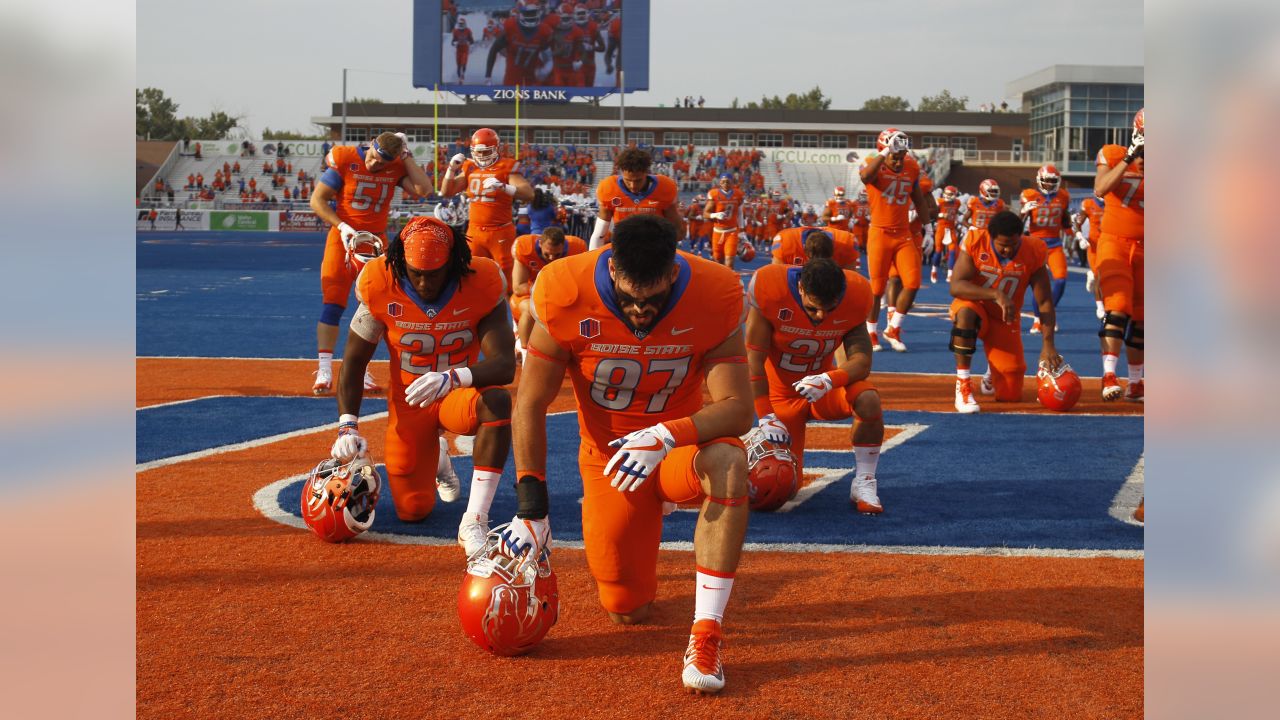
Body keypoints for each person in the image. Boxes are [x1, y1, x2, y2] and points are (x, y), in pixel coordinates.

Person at [511, 214, 752, 694]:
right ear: (612, 268)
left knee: (730, 461)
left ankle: (706, 633)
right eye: (628, 299)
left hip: (677, 449)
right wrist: (531, 506)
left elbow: (738, 409)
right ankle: (636, 529)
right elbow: (531, 402)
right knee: (626, 610)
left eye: (654, 300)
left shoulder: (715, 290)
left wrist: (665, 435)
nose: (641, 312)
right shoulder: (565, 287)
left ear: (675, 273)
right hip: (609, 462)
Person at [328, 216, 516, 555]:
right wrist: (347, 427)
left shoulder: (481, 280)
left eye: (435, 273)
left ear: (455, 263)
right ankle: (438, 456)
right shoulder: (379, 281)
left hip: (457, 392)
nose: (425, 282)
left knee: (498, 402)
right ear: (400, 263)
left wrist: (453, 377)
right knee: (413, 511)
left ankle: (474, 518)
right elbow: (354, 362)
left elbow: (504, 365)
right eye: (416, 273)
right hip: (410, 403)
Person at [746, 258, 884, 512]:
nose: (821, 316)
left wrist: (830, 379)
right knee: (781, 488)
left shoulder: (856, 294)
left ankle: (865, 481)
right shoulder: (772, 290)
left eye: (829, 309)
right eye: (812, 309)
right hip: (781, 399)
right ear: (800, 289)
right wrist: (765, 414)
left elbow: (862, 361)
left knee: (868, 398)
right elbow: (752, 359)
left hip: (822, 389)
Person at [308, 131, 435, 395]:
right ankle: (324, 369)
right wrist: (342, 226)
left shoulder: (396, 165)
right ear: (371, 147)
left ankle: (361, 368)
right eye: (375, 157)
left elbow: (425, 190)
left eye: (383, 162)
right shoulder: (346, 158)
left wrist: (406, 155)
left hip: (376, 243)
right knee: (333, 302)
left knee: (375, 308)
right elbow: (317, 200)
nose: (376, 164)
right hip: (343, 237)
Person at [948, 210, 1061, 413]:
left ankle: (994, 370)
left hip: (1004, 320)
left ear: (1021, 237)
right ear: (991, 237)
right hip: (977, 307)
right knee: (965, 314)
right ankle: (963, 384)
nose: (1008, 249)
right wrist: (996, 294)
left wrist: (1048, 345)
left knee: (1010, 394)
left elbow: (1044, 301)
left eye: (1013, 244)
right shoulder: (976, 240)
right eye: (1002, 245)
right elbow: (956, 286)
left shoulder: (1034, 249)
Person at [858, 128, 934, 352]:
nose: (899, 161)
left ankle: (893, 328)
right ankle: (870, 331)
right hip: (880, 232)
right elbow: (865, 177)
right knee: (877, 287)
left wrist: (928, 229)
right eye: (895, 156)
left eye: (901, 156)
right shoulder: (874, 163)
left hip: (903, 234)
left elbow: (919, 200)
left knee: (912, 282)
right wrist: (884, 153)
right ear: (884, 150)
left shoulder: (911, 166)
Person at [1093, 108, 1144, 402]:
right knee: (1119, 306)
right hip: (1115, 242)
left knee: (1142, 318)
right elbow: (1100, 188)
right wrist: (1128, 159)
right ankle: (1109, 374)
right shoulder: (1113, 153)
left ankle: (1135, 382)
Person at [439, 128, 534, 281]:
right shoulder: (470, 166)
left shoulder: (506, 166)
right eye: (479, 152)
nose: (482, 156)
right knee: (471, 273)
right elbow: (446, 192)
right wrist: (451, 170)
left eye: (486, 152)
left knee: (506, 276)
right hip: (474, 231)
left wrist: (503, 186)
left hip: (500, 231)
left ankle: (507, 304)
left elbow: (529, 194)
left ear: (496, 149)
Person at [510, 226, 586, 352]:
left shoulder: (577, 249)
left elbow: (580, 284)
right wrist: (546, 290)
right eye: (547, 253)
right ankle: (524, 349)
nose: (551, 258)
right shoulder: (525, 248)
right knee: (530, 310)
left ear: (564, 246)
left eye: (557, 254)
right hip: (529, 296)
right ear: (540, 244)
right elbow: (518, 287)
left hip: (559, 296)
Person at [590, 146, 682, 249]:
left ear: (646, 172)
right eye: (628, 180)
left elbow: (678, 232)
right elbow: (599, 234)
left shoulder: (664, 187)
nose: (633, 185)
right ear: (621, 172)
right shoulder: (609, 188)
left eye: (638, 180)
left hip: (655, 248)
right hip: (623, 247)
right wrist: (592, 260)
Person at [1020, 164, 1072, 334]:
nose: (1049, 184)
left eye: (1053, 181)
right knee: (1038, 285)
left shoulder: (1063, 196)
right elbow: (1017, 224)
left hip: (1055, 244)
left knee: (1061, 280)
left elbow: (1065, 220)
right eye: (1047, 180)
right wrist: (1022, 212)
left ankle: (1048, 312)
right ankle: (1037, 320)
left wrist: (1073, 233)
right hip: (1036, 245)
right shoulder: (1030, 195)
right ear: (1039, 180)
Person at [486, 3, 556, 86]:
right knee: (512, 98)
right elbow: (494, 49)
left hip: (532, 75)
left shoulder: (543, 31)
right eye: (528, 14)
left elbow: (549, 58)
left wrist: (545, 70)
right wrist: (488, 76)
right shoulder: (511, 27)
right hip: (512, 75)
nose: (531, 16)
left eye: (533, 13)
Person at [1073, 194, 1107, 319]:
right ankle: (1100, 306)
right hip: (1094, 245)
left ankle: (1092, 275)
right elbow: (1076, 223)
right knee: (1099, 276)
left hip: (1111, 244)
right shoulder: (1089, 204)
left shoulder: (1116, 204)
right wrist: (1080, 237)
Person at [771, 225, 859, 272]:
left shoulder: (846, 245)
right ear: (804, 250)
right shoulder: (786, 243)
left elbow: (851, 283)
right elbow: (777, 280)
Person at [703, 173, 745, 270]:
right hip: (718, 232)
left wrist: (742, 231)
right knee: (718, 261)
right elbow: (705, 214)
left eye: (728, 182)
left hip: (732, 231)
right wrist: (716, 215)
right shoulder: (714, 194)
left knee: (729, 262)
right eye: (723, 182)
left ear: (732, 183)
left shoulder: (738, 194)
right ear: (720, 183)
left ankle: (730, 283)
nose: (725, 184)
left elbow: (740, 214)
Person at [933, 185, 962, 283]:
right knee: (938, 251)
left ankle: (950, 274)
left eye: (951, 194)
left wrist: (958, 221)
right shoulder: (940, 202)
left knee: (953, 251)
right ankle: (934, 270)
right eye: (947, 193)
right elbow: (933, 214)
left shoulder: (957, 203)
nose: (948, 196)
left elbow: (956, 213)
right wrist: (942, 215)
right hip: (941, 228)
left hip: (951, 229)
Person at [451, 16, 475, 82]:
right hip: (458, 49)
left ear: (464, 24)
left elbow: (472, 40)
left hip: (465, 49)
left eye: (462, 24)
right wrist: (454, 43)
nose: (461, 25)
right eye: (460, 24)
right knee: (458, 65)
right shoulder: (455, 31)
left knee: (463, 63)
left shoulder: (468, 30)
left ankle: (462, 74)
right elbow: (452, 41)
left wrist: (471, 45)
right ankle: (459, 78)